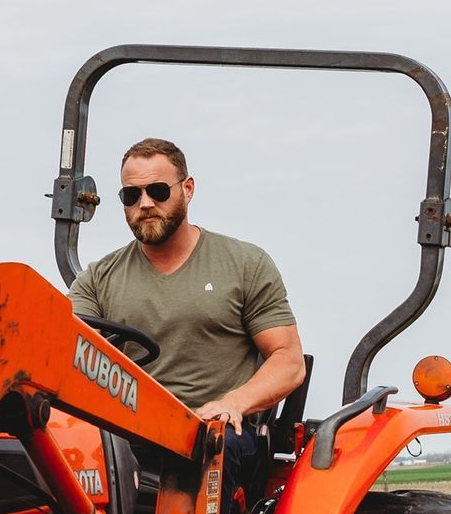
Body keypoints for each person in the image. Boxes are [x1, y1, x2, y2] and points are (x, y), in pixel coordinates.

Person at [68, 137, 305, 489]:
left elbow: (288, 360)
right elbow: (61, 342)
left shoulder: (243, 264)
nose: (145, 204)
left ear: (188, 189)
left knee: (207, 448)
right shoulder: (100, 278)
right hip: (129, 433)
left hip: (215, 431)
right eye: (131, 196)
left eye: (158, 191)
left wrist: (233, 403)